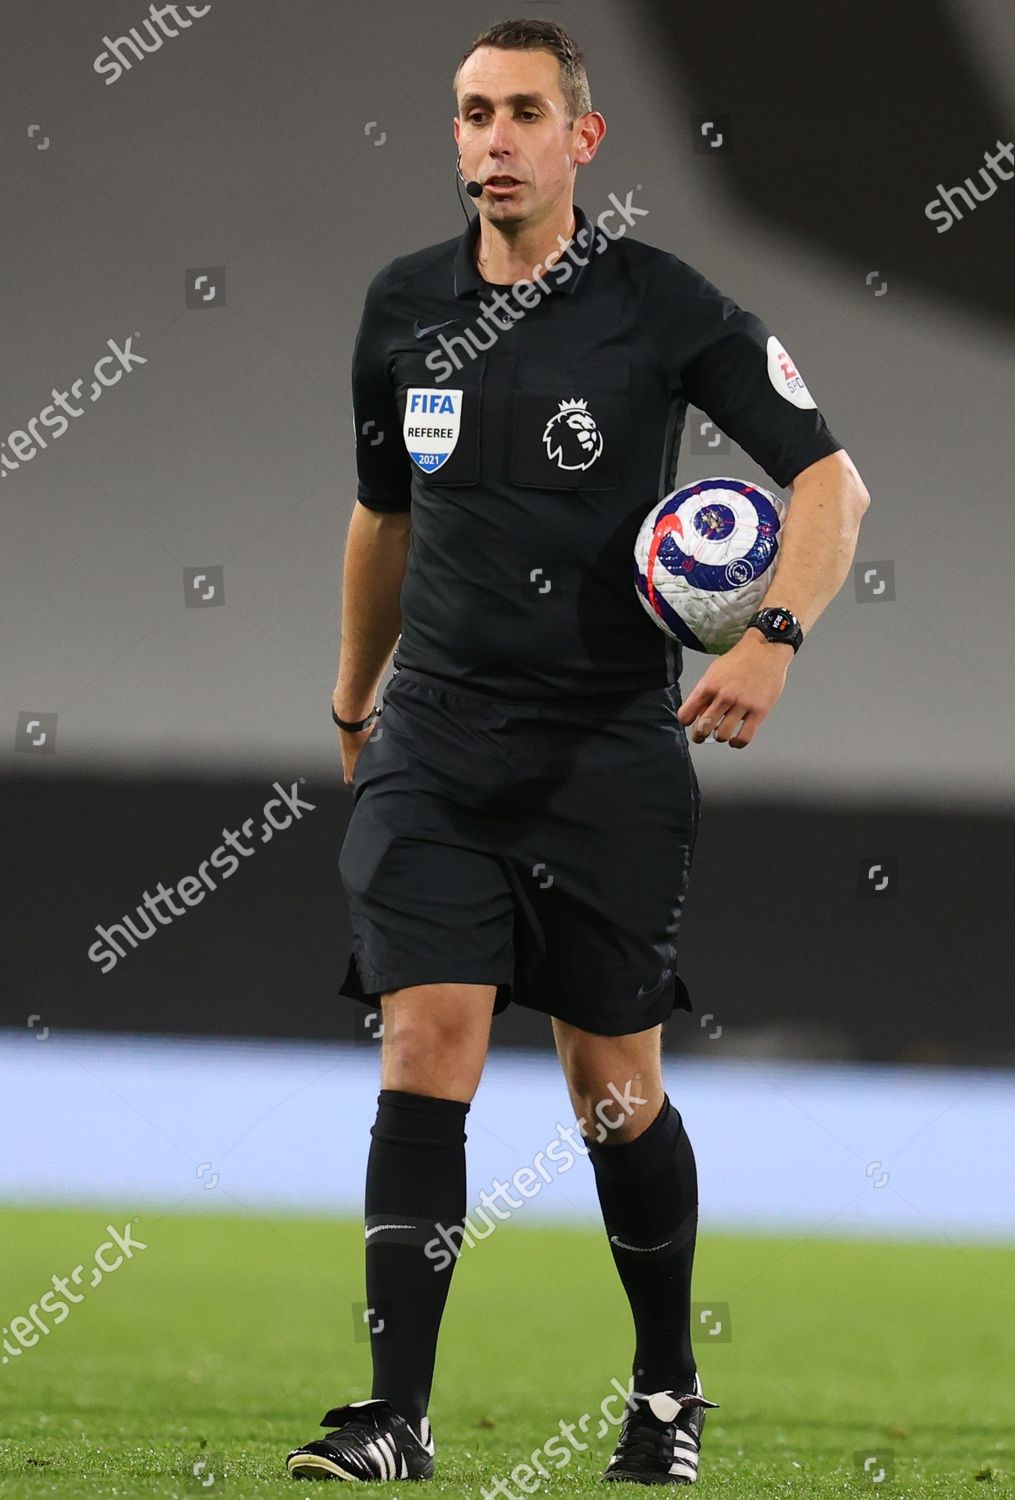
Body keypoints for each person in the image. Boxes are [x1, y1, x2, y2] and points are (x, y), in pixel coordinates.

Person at [286, 16, 870, 1486]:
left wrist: (769, 637)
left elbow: (831, 484)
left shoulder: (660, 308)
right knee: (428, 1038)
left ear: (581, 140)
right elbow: (384, 522)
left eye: (523, 113)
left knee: (612, 1087)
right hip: (437, 740)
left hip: (605, 750)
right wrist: (356, 703)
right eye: (474, 113)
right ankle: (394, 1419)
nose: (493, 140)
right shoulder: (402, 308)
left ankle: (666, 1392)